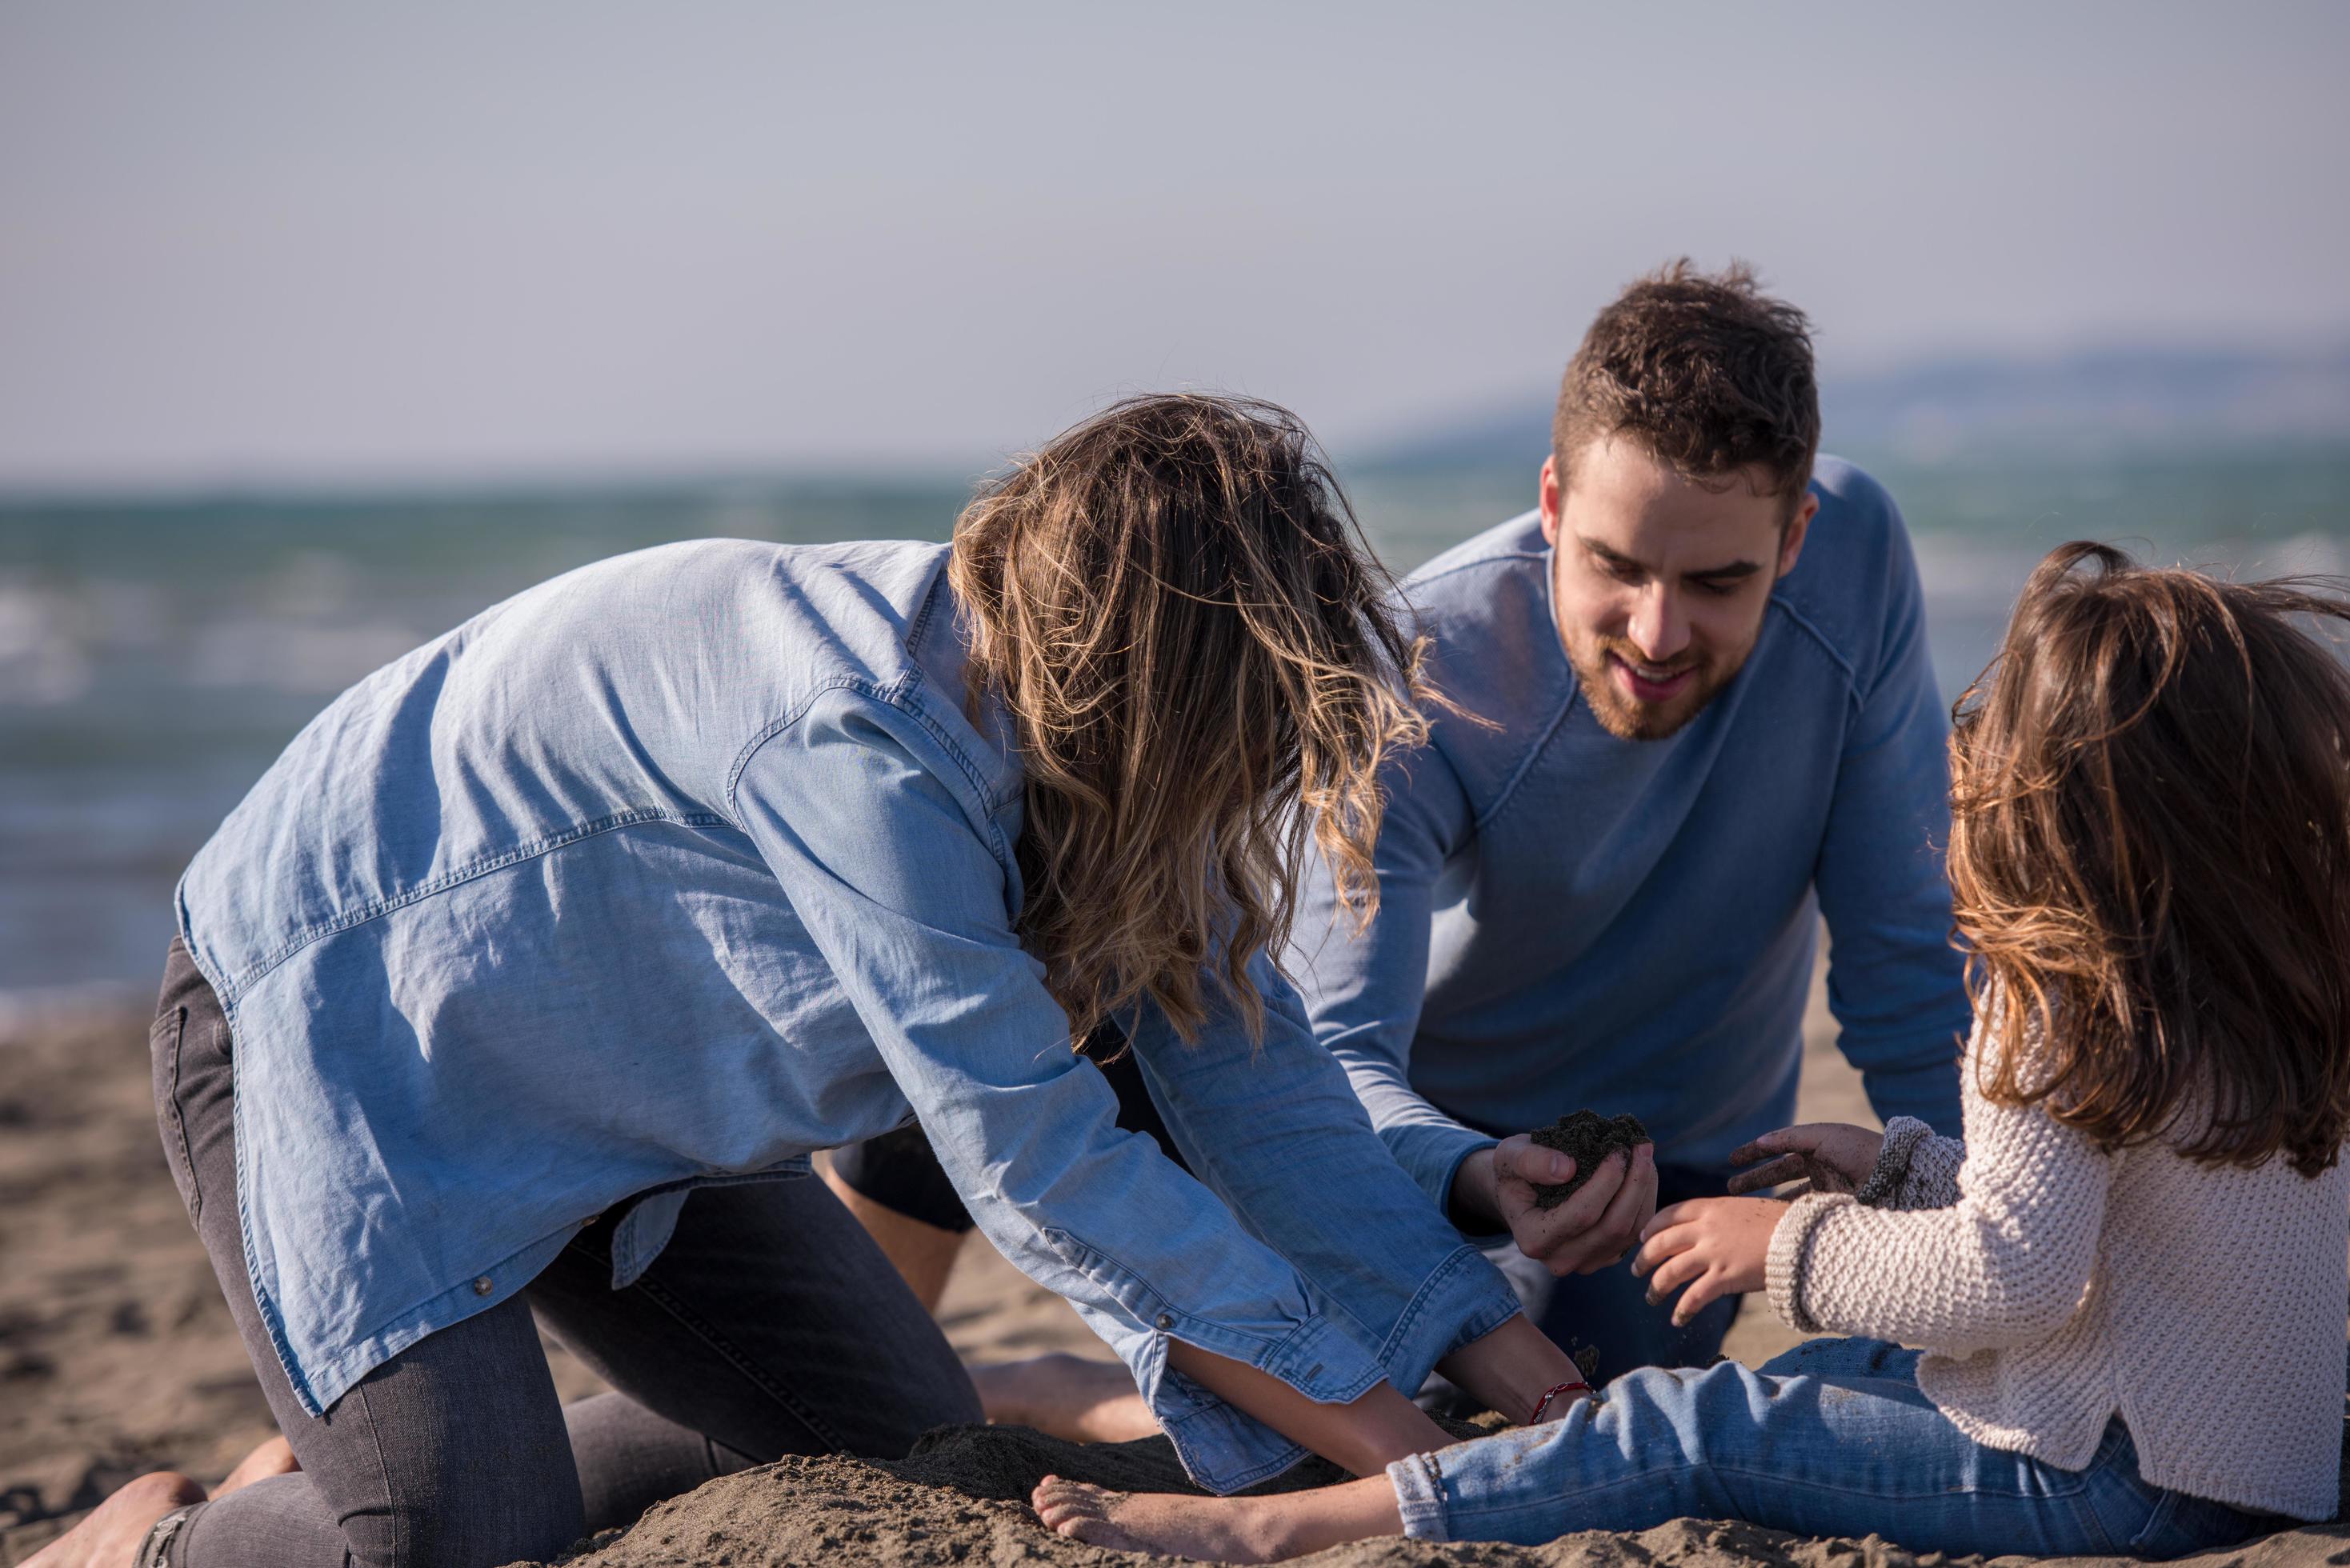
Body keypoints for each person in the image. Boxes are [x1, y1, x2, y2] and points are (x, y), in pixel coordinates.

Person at [34, 394, 1584, 1568]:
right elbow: (1045, 1166)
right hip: (337, 1025)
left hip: (619, 1097)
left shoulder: (1089, 741)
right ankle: (163, 1539)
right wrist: (1390, 1456)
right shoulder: (859, 741)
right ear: (1148, 689)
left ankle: (355, 1454)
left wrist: (1468, 1332)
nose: (1242, 786)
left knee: (887, 1428)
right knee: (454, 1540)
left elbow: (1257, 1075)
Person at [1029, 541, 2350, 1562]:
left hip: (2114, 1481)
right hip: (2256, 1460)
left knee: (1688, 1420)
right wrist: (1896, 1168)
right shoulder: (2258, 981)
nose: (1956, 816)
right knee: (1834, 1377)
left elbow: (2007, 1276)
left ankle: (1296, 1529)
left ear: (2054, 815)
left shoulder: (2059, 996)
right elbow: (2118, 1219)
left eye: (1980, 785)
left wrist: (1776, 1248)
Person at [831, 262, 1972, 1397]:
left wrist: (1986, 1218)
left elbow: (1902, 959)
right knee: (1042, 986)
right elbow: (1333, 1060)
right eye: (1612, 567)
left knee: (1524, 1395)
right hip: (1414, 1148)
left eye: (1717, 581)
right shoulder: (1419, 677)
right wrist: (1471, 1171)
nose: (1656, 631)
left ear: (1795, 537)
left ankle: (1040, 1393)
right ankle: (905, 1378)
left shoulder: (1858, 561)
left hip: (1667, 1179)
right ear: (1551, 505)